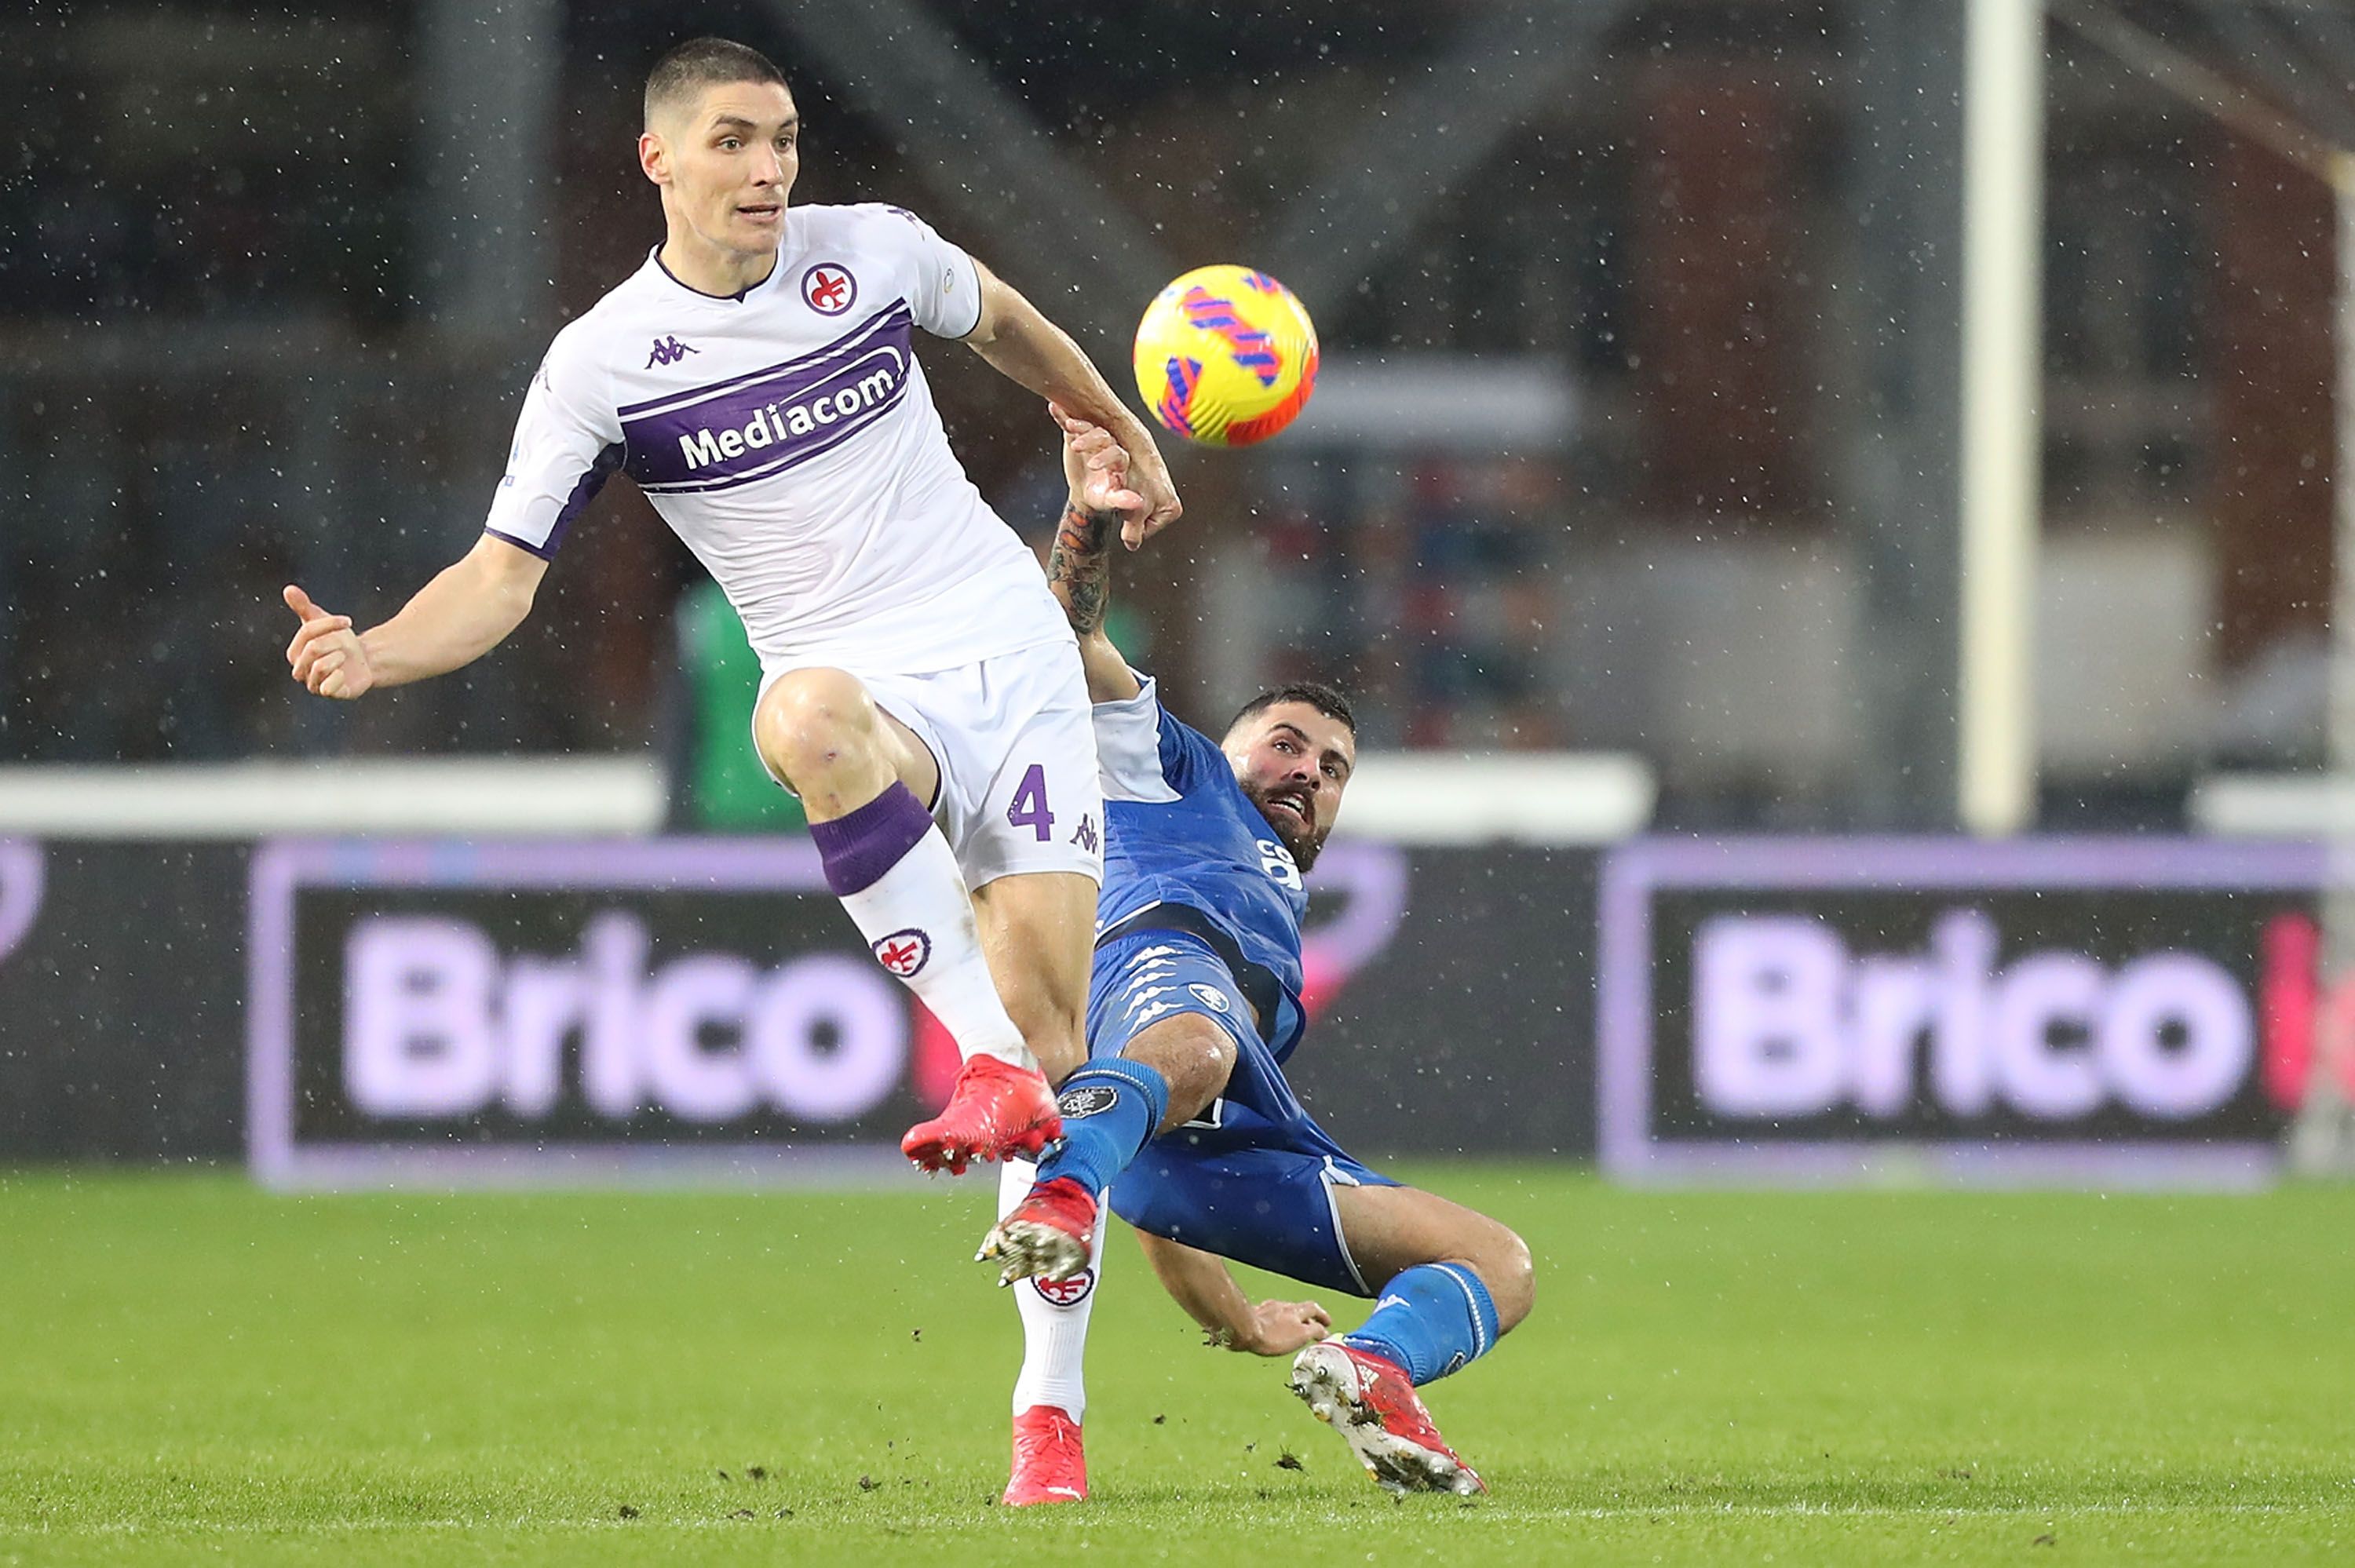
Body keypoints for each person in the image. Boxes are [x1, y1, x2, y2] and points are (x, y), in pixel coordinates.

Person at [278, 38, 1181, 1171]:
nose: (769, 170)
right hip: (860, 690)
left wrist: (1111, 420)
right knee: (803, 717)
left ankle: (1050, 1254)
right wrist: (380, 653)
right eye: (734, 142)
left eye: (785, 142)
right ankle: (985, 1054)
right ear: (657, 159)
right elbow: (499, 577)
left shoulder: (873, 250)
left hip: (1009, 645)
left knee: (1059, 1045)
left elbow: (997, 317)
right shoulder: (600, 365)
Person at [980, 410, 1535, 1505]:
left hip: (1198, 1127)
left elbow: (1156, 1180)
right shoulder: (1175, 774)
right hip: (1144, 982)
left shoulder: (1269, 938)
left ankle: (1372, 1365)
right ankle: (1058, 1200)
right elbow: (1071, 637)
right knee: (1195, 1043)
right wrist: (1086, 513)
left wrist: (1237, 1320)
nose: (1309, 771)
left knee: (1499, 1262)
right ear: (1226, 749)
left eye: (1333, 766)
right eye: (1286, 743)